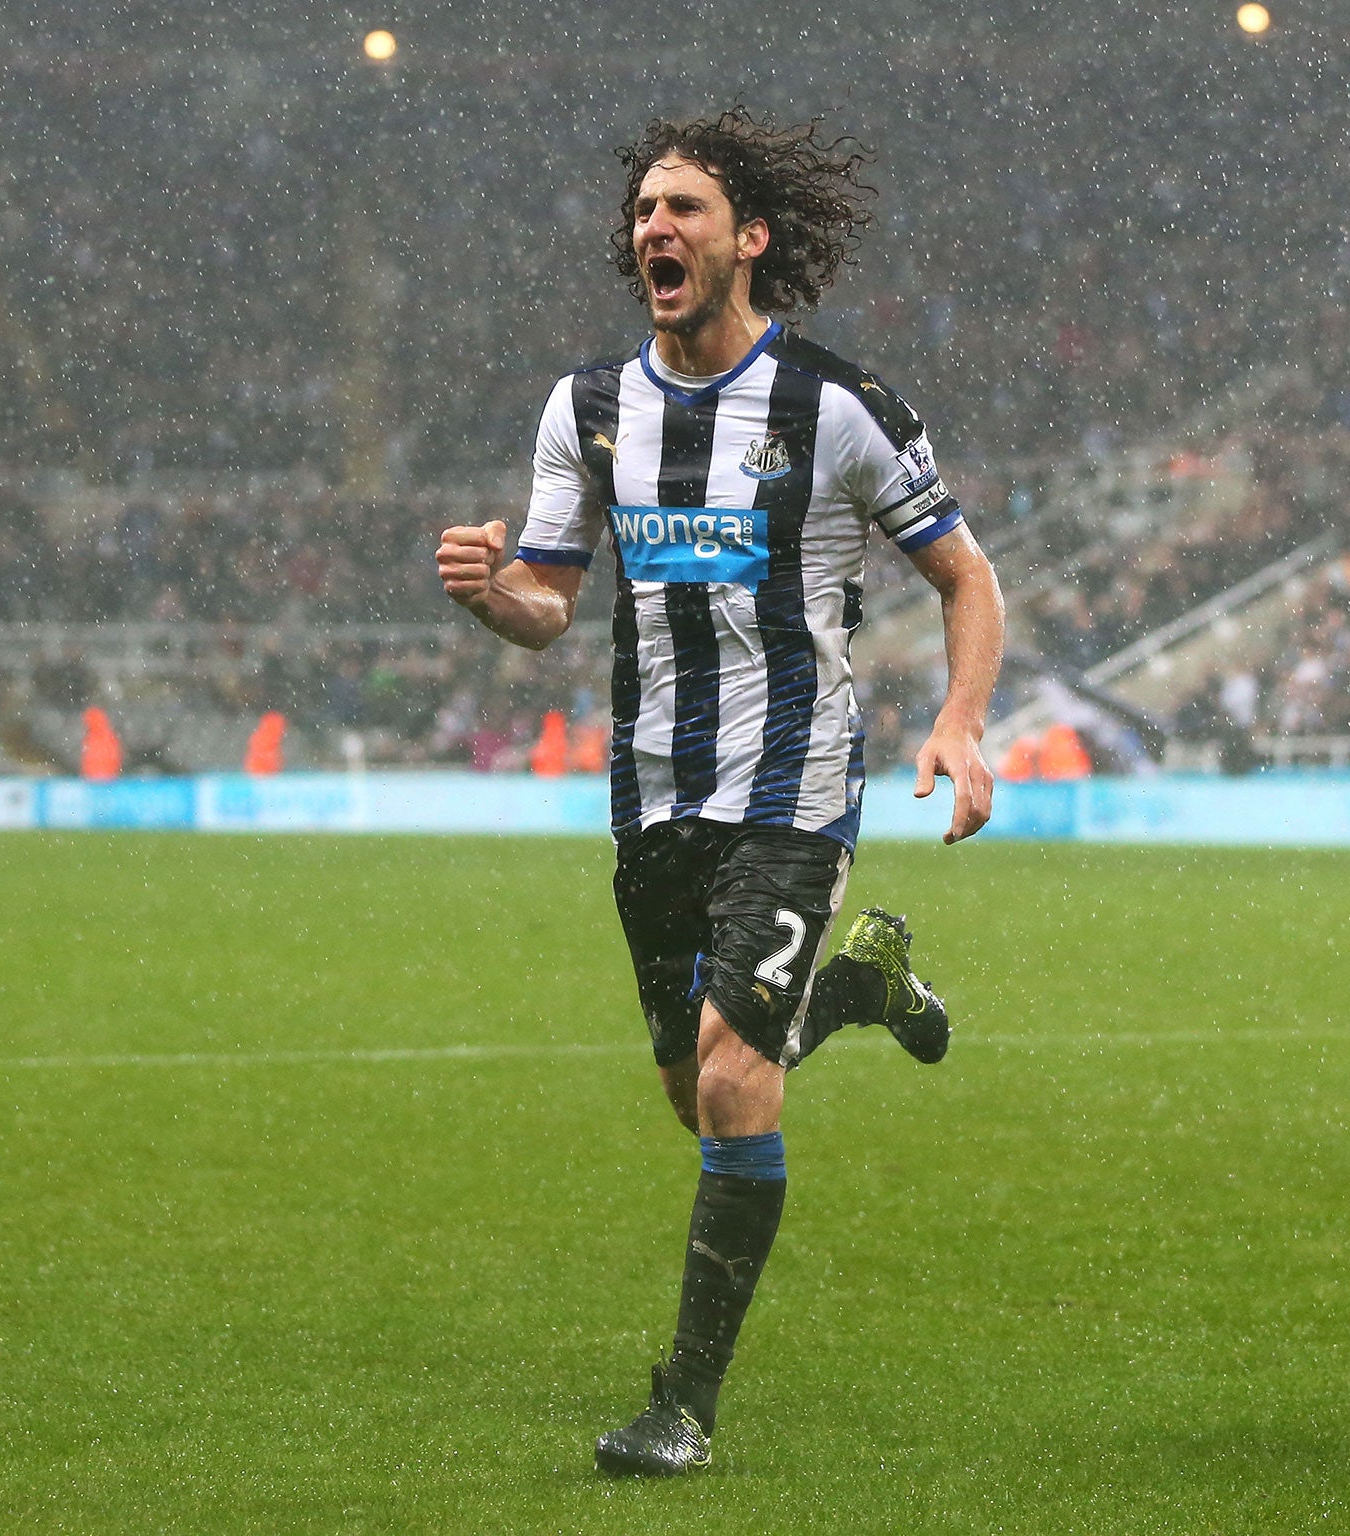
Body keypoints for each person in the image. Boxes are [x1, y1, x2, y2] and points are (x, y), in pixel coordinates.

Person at [435, 108, 1004, 1476]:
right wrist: (486, 595)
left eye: (683, 209)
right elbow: (550, 607)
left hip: (794, 785)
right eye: (644, 211)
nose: (655, 230)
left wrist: (966, 724)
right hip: (652, 791)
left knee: (740, 1078)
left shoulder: (835, 407)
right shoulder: (588, 410)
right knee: (699, 1095)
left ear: (746, 237)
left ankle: (681, 1406)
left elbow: (964, 575)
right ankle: (860, 992)